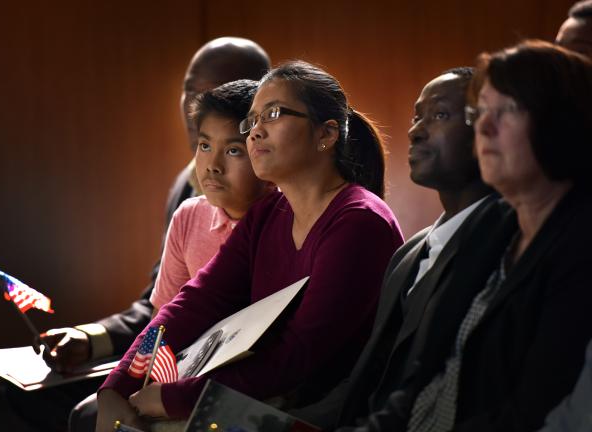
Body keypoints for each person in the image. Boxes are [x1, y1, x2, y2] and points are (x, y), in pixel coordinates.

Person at [95, 61, 404, 431]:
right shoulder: (269, 212)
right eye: (252, 120)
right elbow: (197, 299)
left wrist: (176, 397)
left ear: (327, 133)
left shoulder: (359, 221)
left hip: (328, 409)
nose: (255, 131)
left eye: (272, 114)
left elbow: (299, 356)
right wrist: (118, 384)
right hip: (271, 394)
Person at [0, 37, 270, 432]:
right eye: (191, 90)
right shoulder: (186, 196)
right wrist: (92, 340)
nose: (198, 106)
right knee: (17, 401)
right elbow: (162, 307)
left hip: (230, 375)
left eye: (222, 91)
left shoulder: (280, 208)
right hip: (168, 361)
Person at [343, 40, 592, 432]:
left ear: (562, 121)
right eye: (481, 112)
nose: (484, 127)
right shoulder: (487, 224)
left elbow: (534, 408)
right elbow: (418, 382)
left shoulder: (580, 242)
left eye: (506, 111)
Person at [291, 68, 516, 430]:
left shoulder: (508, 245)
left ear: (489, 129)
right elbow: (370, 379)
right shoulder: (409, 252)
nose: (415, 130)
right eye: (416, 116)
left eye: (440, 115)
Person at [149, 79, 273, 310]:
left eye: (233, 151)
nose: (213, 166)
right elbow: (161, 319)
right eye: (205, 146)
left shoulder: (291, 217)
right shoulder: (188, 217)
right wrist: (149, 348)